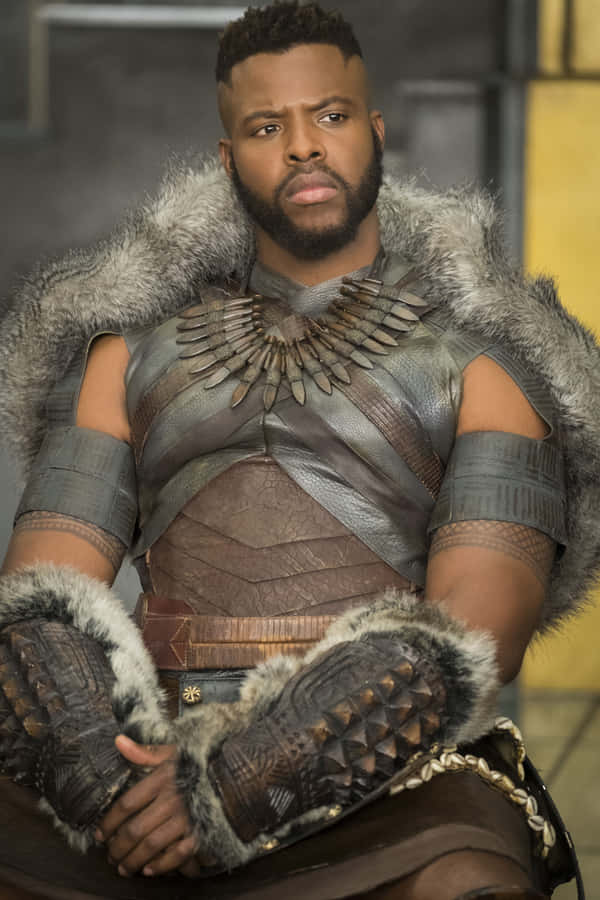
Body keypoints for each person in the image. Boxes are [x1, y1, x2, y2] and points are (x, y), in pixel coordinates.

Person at [0, 2, 596, 898]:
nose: (305, 147)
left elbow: (470, 638)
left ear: (374, 132)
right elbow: (37, 608)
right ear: (227, 158)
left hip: (389, 774)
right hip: (147, 757)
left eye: (331, 115)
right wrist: (112, 789)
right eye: (267, 127)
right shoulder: (124, 357)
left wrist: (236, 787)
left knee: (469, 884)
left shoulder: (488, 367)